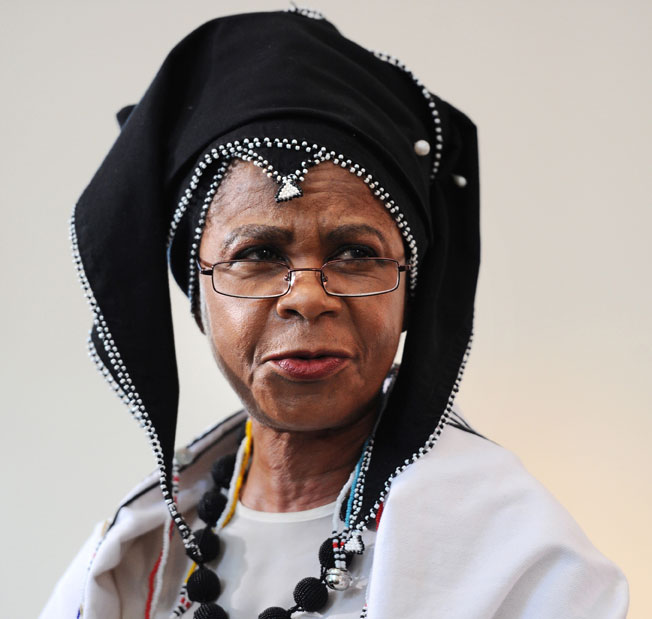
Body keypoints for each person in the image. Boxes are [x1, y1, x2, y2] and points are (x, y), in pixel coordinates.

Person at [41, 8, 628, 619]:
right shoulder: (132, 560)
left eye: (356, 254)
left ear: (411, 294)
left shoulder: (522, 566)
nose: (307, 297)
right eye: (258, 255)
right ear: (199, 299)